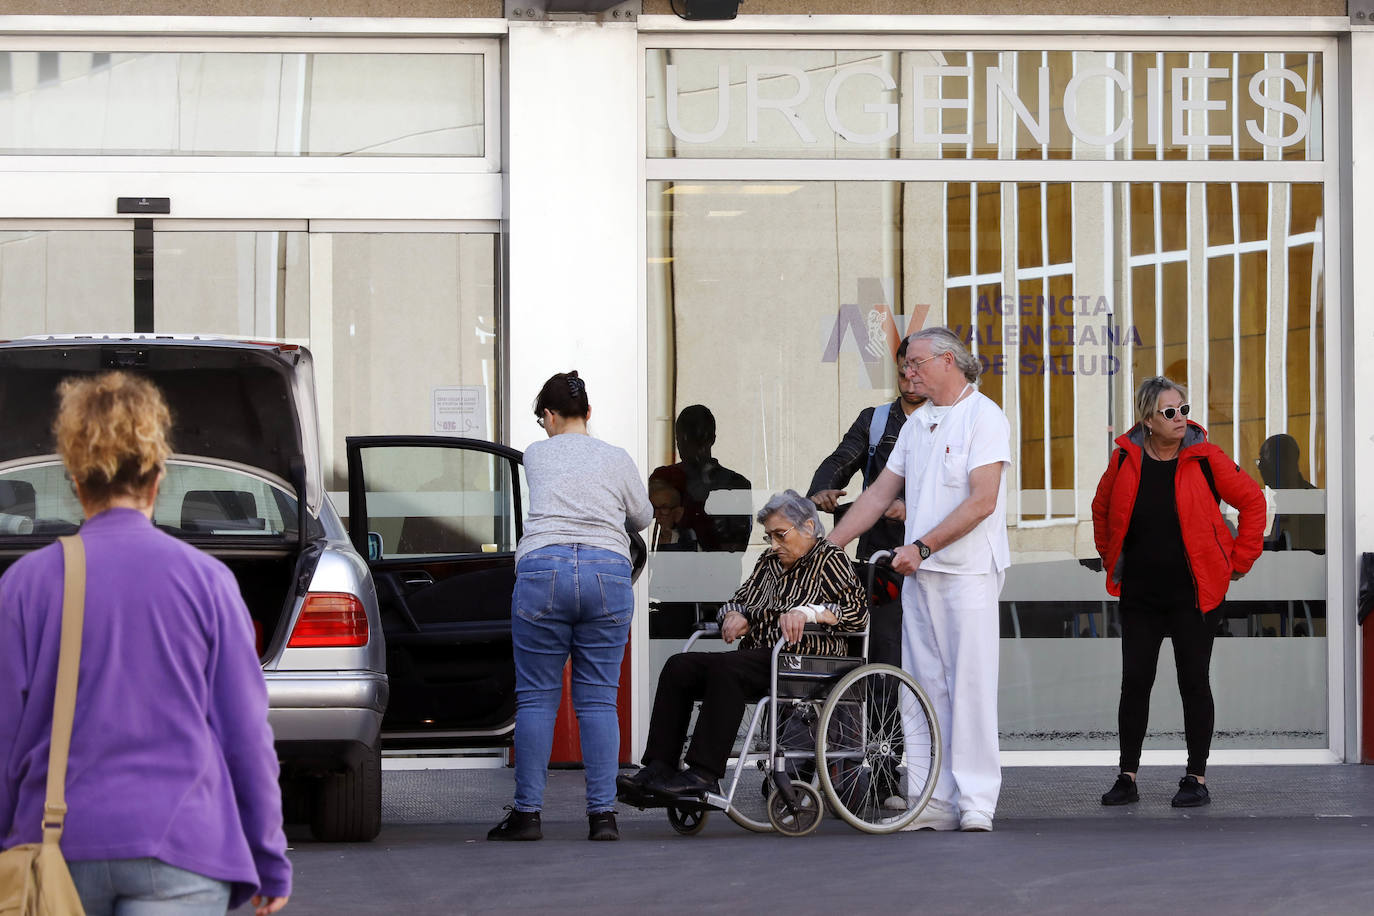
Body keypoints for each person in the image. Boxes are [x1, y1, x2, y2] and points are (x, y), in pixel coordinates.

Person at [0, 371, 291, 916]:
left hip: (57, 848)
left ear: (75, 481)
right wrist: (267, 854)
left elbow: (2, 739)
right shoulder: (207, 583)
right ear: (158, 478)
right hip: (184, 846)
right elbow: (246, 736)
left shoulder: (25, 586)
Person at [828, 326, 1011, 833]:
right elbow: (877, 494)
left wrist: (923, 545)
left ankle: (976, 800)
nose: (908, 372)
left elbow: (982, 501)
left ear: (948, 361)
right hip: (921, 575)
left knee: (970, 686)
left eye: (916, 363)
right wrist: (831, 545)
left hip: (968, 572)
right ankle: (931, 796)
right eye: (905, 364)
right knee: (923, 688)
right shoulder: (916, 425)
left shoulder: (985, 416)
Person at [616, 490, 868, 802]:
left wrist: (810, 612)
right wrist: (734, 614)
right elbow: (739, 599)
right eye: (769, 537)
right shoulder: (770, 562)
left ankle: (703, 774)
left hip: (805, 661)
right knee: (679, 667)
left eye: (780, 535)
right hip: (761, 658)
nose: (774, 545)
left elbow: (858, 613)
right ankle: (659, 767)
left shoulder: (830, 559)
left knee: (728, 668)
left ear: (808, 527)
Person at [488, 371, 653, 843]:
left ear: (549, 415)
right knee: (598, 699)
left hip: (544, 570)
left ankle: (527, 814)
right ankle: (603, 816)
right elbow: (642, 515)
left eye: (543, 419)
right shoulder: (616, 457)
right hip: (606, 570)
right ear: (589, 413)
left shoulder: (537, 454)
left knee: (537, 697)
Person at [1091, 376, 1265, 808]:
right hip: (1141, 596)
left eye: (1183, 409)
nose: (1180, 418)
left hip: (1195, 595)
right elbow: (1101, 507)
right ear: (1147, 419)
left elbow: (1253, 502)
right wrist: (1111, 554)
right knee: (1135, 684)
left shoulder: (1205, 457)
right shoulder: (1125, 458)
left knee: (1193, 682)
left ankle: (1196, 778)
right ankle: (1127, 777)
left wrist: (1238, 562)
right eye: (1170, 412)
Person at [808, 335, 924, 561]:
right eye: (902, 374)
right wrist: (822, 490)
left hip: (931, 552)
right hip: (878, 554)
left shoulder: (949, 423)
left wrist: (909, 508)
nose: (909, 384)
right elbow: (841, 460)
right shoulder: (874, 420)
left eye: (917, 377)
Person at [649, 404, 753, 553]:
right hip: (669, 569)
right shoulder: (665, 477)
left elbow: (736, 548)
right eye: (681, 439)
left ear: (712, 439)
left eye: (694, 439)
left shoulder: (736, 485)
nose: (686, 446)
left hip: (718, 571)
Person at [1256, 433, 1324, 553]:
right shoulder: (1286, 498)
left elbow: (1302, 552)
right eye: (1259, 461)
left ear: (1286, 462)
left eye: (1264, 460)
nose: (1260, 467)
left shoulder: (1309, 501)